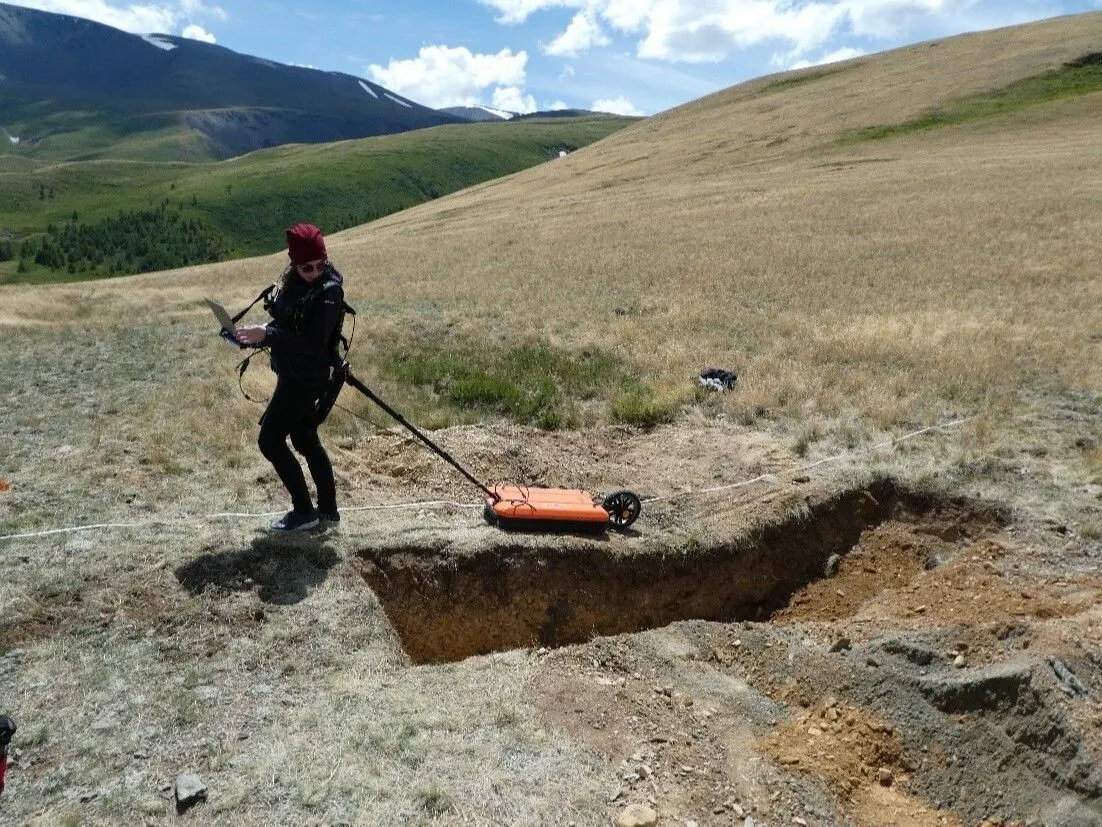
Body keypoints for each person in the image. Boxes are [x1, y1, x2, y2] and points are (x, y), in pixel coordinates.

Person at [234, 223, 343, 531]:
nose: (315, 271)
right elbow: (289, 323)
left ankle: (304, 512)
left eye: (321, 264)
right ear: (293, 262)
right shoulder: (293, 282)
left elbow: (312, 342)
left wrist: (266, 335)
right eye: (307, 267)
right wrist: (258, 333)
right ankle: (328, 513)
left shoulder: (329, 292)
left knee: (269, 440)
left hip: (306, 378)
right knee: (305, 439)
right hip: (295, 373)